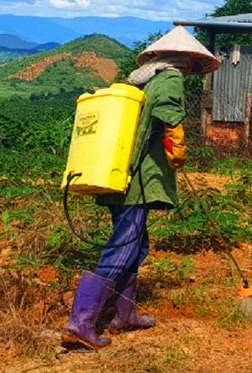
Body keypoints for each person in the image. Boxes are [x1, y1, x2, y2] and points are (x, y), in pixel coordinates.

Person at [62, 27, 220, 350]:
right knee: (123, 248)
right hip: (138, 183)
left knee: (136, 246)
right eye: (192, 63)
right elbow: (168, 111)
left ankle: (125, 313)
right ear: (185, 59)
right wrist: (177, 145)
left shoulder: (145, 78)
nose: (191, 69)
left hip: (119, 177)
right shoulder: (170, 78)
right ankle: (81, 322)